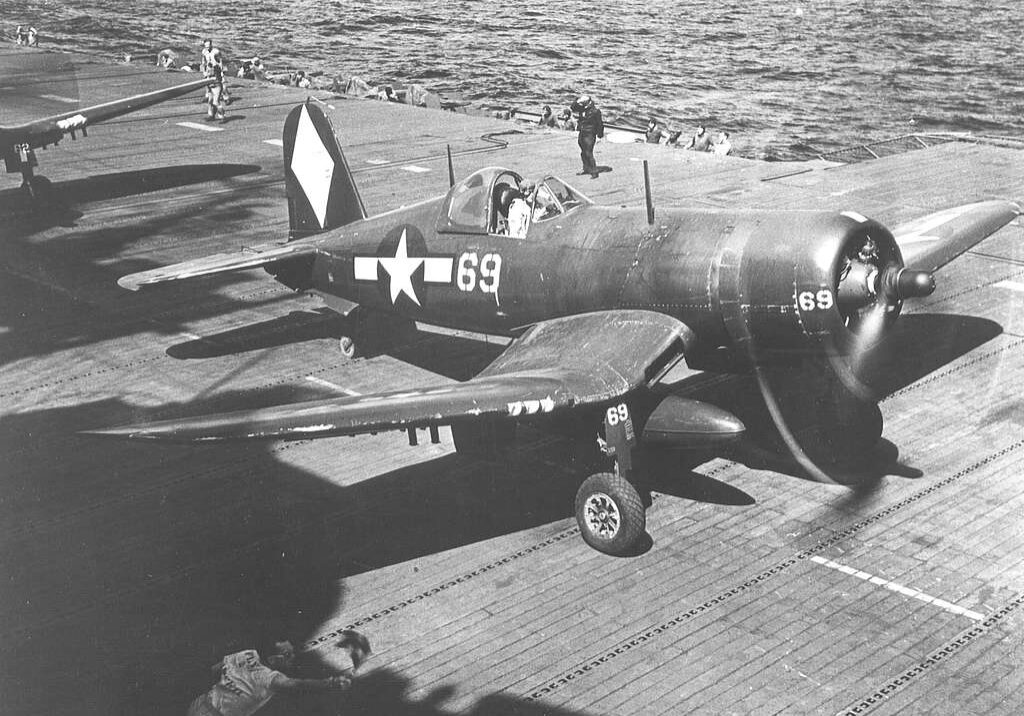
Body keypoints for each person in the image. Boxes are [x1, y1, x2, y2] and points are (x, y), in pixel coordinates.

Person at [187, 633, 369, 716]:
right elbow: (298, 684)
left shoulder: (244, 653)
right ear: (273, 660)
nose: (293, 657)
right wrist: (331, 682)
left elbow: (214, 670)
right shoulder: (269, 678)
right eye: (287, 655)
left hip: (198, 706)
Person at [571, 95, 604, 179]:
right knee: (583, 152)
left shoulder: (595, 111)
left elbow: (600, 124)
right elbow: (573, 107)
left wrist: (599, 135)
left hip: (590, 134)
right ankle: (585, 168)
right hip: (582, 132)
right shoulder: (582, 108)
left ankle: (594, 171)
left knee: (588, 153)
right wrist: (577, 101)